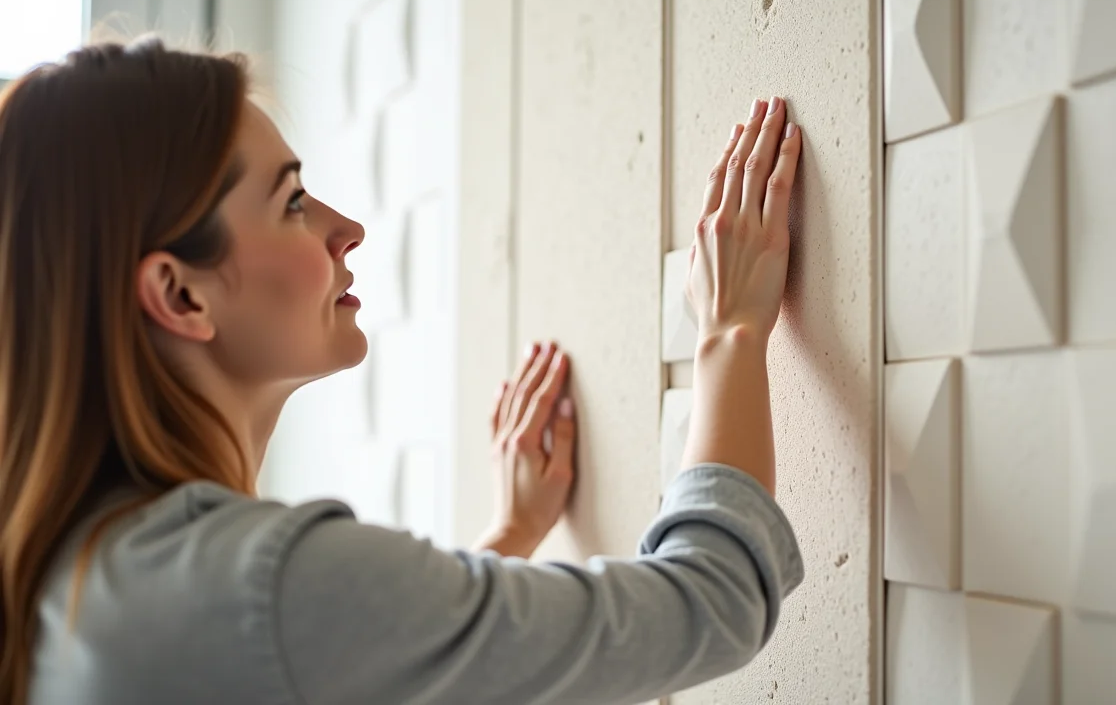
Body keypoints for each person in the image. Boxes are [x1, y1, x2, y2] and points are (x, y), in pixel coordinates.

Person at [0, 39, 805, 705]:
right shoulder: (264, 589)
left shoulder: (76, 579)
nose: (345, 229)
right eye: (289, 202)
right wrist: (729, 333)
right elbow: (716, 599)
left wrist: (511, 537)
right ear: (179, 294)